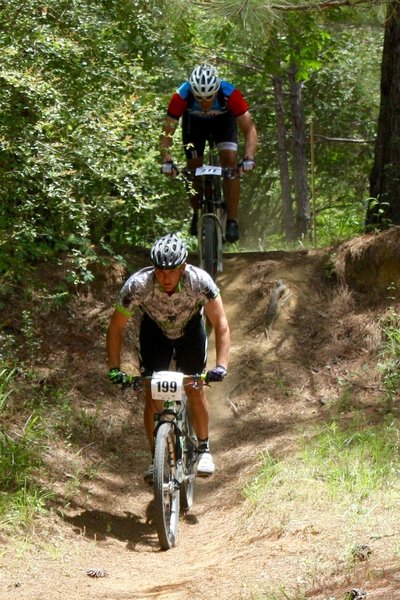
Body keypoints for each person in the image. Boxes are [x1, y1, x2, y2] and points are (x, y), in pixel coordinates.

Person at [106, 233, 230, 482]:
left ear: (183, 268)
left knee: (194, 387)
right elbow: (115, 328)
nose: (165, 277)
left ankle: (204, 449)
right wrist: (114, 368)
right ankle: (156, 458)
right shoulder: (137, 285)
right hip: (155, 333)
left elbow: (221, 323)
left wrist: (221, 366)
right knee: (152, 392)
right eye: (159, 270)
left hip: (190, 332)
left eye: (171, 271)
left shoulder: (200, 281)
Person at [160, 62, 258, 243]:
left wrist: (248, 158)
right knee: (193, 167)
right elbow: (167, 131)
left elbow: (249, 129)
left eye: (209, 97)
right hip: (194, 125)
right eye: (199, 98)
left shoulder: (230, 93)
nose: (204, 102)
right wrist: (166, 159)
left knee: (230, 161)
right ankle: (197, 210)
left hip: (223, 122)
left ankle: (232, 220)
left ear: (216, 90)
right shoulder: (181, 96)